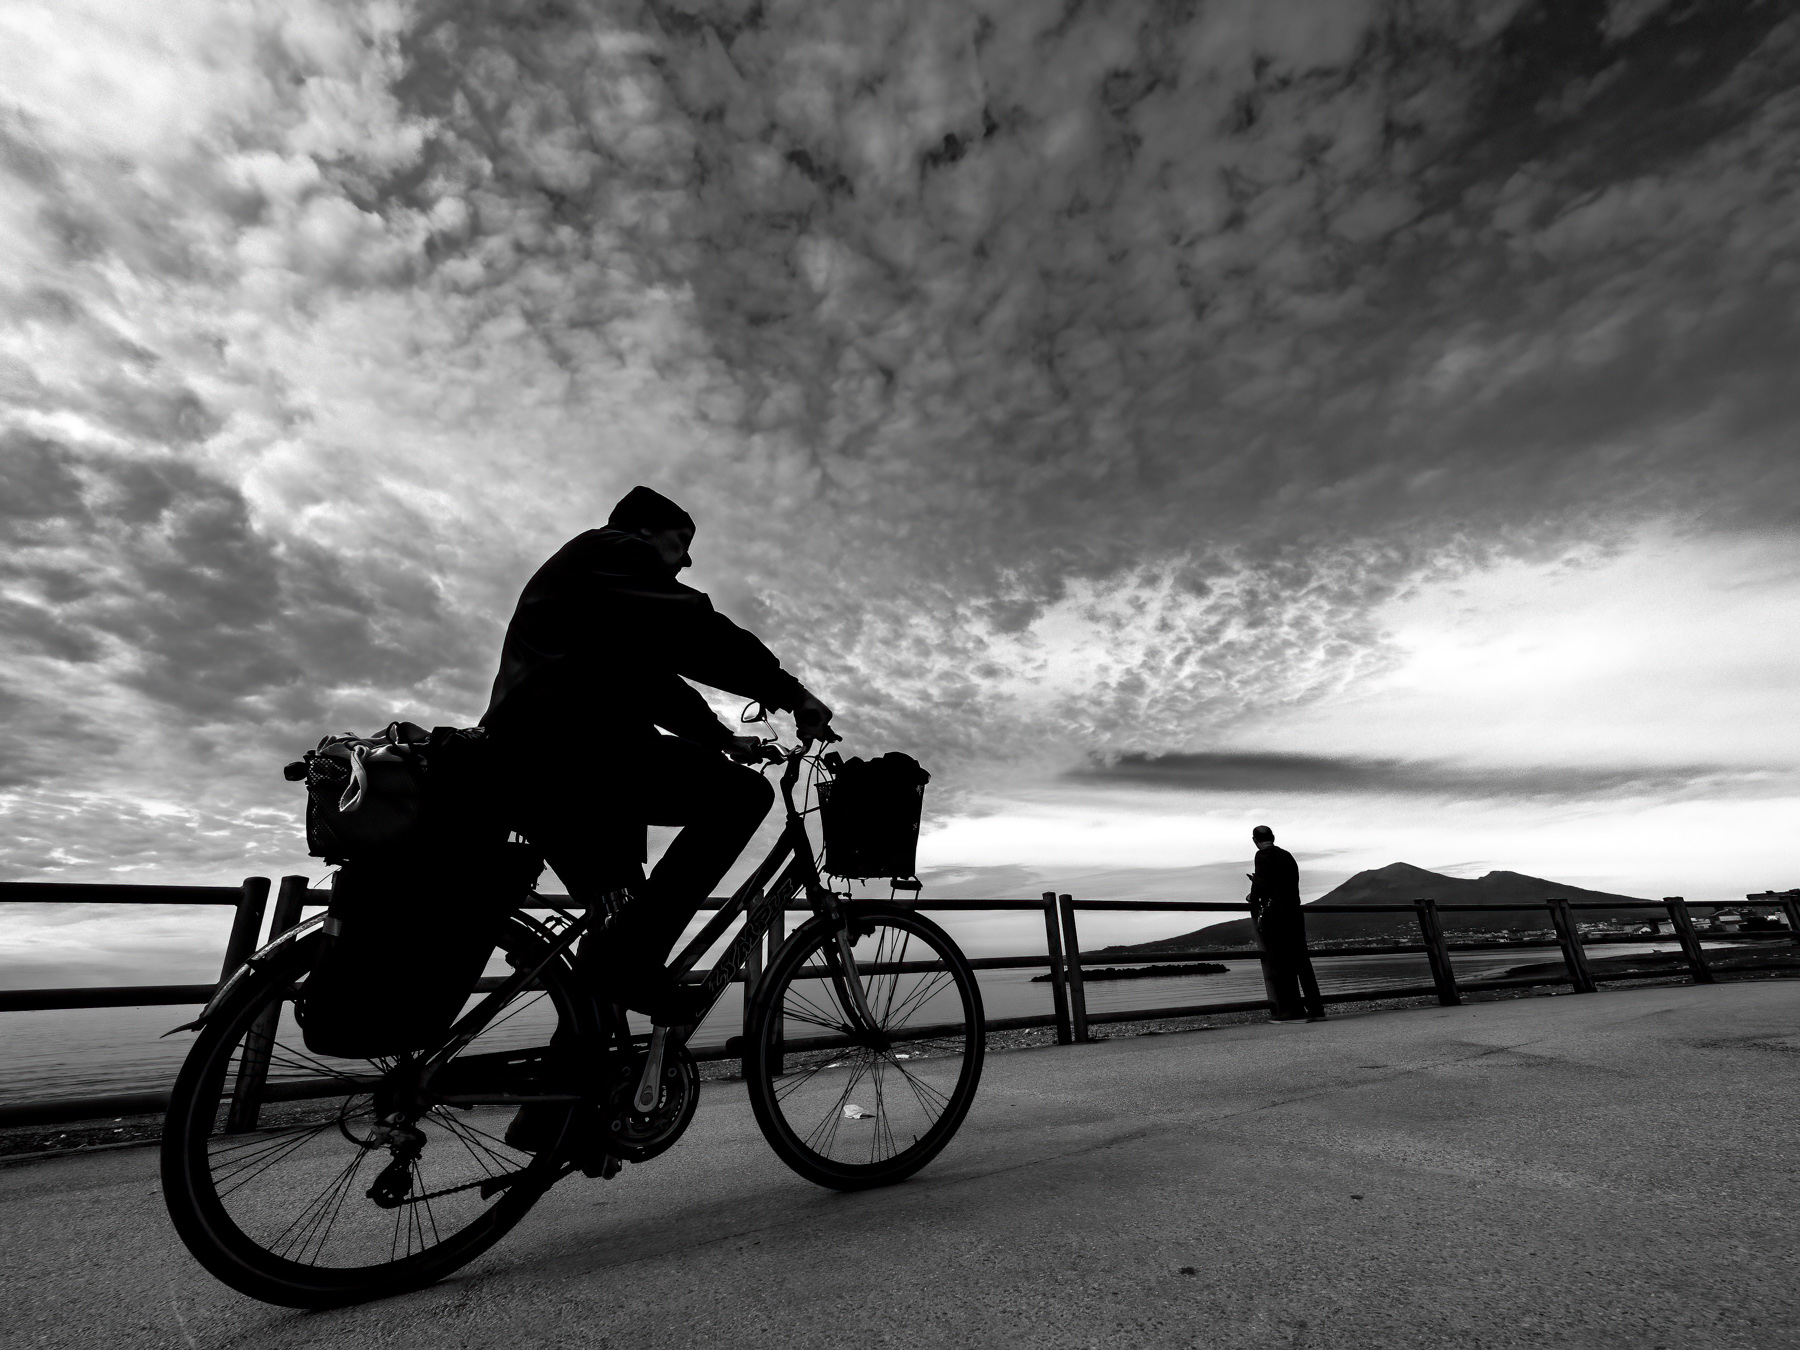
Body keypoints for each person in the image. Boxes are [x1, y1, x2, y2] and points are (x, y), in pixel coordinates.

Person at [481, 485, 833, 1027]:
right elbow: (692, 630)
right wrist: (792, 693)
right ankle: (625, 962)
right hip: (568, 750)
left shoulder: (600, 587)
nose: (687, 559)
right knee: (742, 795)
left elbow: (651, 681)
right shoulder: (615, 550)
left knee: (618, 926)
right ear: (645, 529)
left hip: (542, 760)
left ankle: (581, 1071)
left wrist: (723, 740)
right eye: (682, 540)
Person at [1247, 825, 1325, 1023]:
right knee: (1302, 961)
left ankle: (1292, 1011)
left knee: (1281, 962)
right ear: (1273, 836)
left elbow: (1262, 883)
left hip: (1277, 915)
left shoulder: (1262, 855)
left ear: (1254, 840)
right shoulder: (1287, 855)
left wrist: (1253, 894)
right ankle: (1316, 1009)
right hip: (1294, 913)